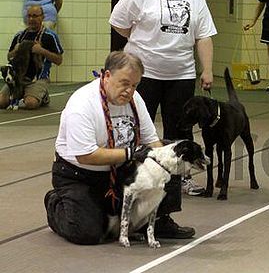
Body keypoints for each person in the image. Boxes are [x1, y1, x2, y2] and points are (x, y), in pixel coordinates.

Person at [44, 51, 197, 245]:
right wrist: (129, 153)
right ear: (106, 76)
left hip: (121, 170)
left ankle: (159, 218)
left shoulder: (135, 99)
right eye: (124, 83)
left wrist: (164, 164)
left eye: (134, 85)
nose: (129, 90)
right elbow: (85, 156)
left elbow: (153, 142)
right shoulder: (81, 103)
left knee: (171, 154)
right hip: (80, 174)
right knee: (88, 233)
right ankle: (55, 202)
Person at [109, 0, 217, 199]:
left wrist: (207, 69)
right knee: (136, 126)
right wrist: (142, 42)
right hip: (144, 74)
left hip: (181, 74)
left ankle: (180, 180)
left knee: (179, 129)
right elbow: (118, 23)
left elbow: (203, 36)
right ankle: (133, 175)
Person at [0, 5, 63, 110]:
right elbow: (9, 56)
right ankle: (21, 92)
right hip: (18, 78)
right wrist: (15, 50)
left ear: (42, 17)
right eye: (29, 16)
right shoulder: (19, 36)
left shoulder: (50, 36)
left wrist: (42, 51)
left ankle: (43, 96)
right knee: (1, 102)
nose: (31, 19)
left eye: (35, 16)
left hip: (38, 79)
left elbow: (59, 60)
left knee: (30, 104)